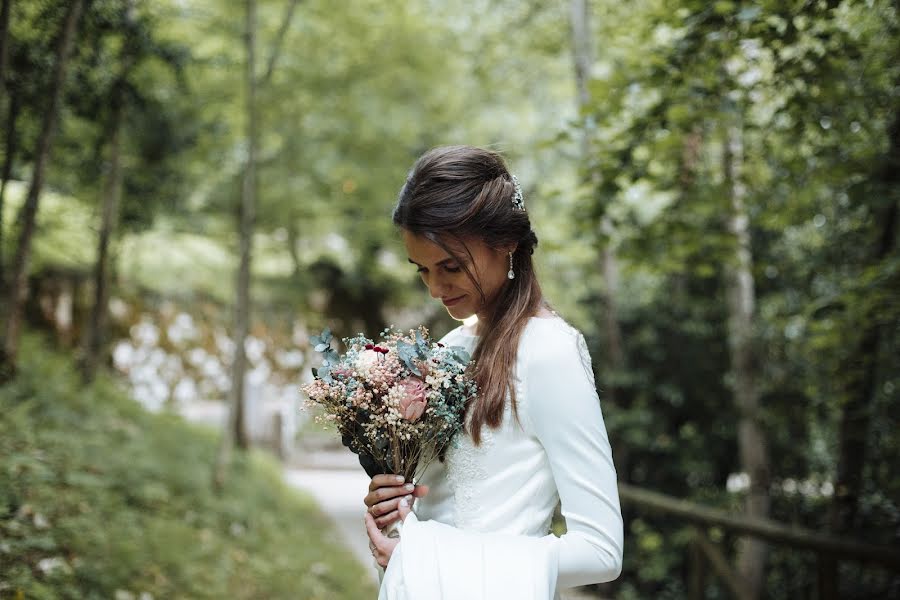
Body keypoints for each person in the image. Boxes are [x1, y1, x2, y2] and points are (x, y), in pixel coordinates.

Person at [363, 145, 623, 599]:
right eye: (422, 270)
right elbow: (434, 516)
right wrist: (398, 515)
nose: (434, 289)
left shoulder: (550, 352)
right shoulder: (445, 352)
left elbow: (602, 550)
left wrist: (427, 556)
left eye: (450, 266)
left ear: (506, 243)